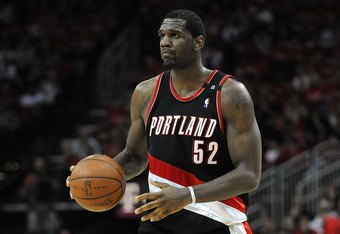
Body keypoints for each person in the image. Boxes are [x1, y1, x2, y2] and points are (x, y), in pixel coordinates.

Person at [67, 9, 262, 234]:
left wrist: (187, 196)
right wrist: (89, 177)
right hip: (159, 222)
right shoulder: (146, 92)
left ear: (198, 42)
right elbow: (134, 156)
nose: (165, 42)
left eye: (175, 35)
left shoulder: (230, 94)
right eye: (162, 36)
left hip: (217, 220)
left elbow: (249, 174)